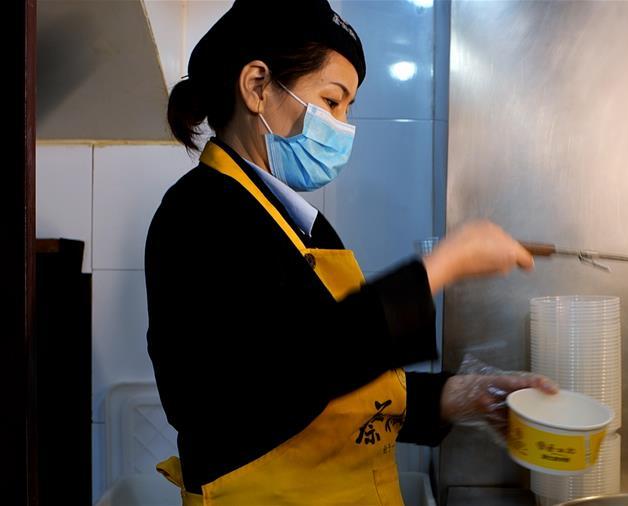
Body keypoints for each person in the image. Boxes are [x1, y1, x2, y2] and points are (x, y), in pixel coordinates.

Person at [144, 1, 555, 504]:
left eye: (348, 108)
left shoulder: (293, 223)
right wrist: (442, 266)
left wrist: (463, 396)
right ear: (256, 86)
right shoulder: (199, 214)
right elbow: (289, 376)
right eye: (332, 101)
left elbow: (339, 381)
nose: (343, 125)